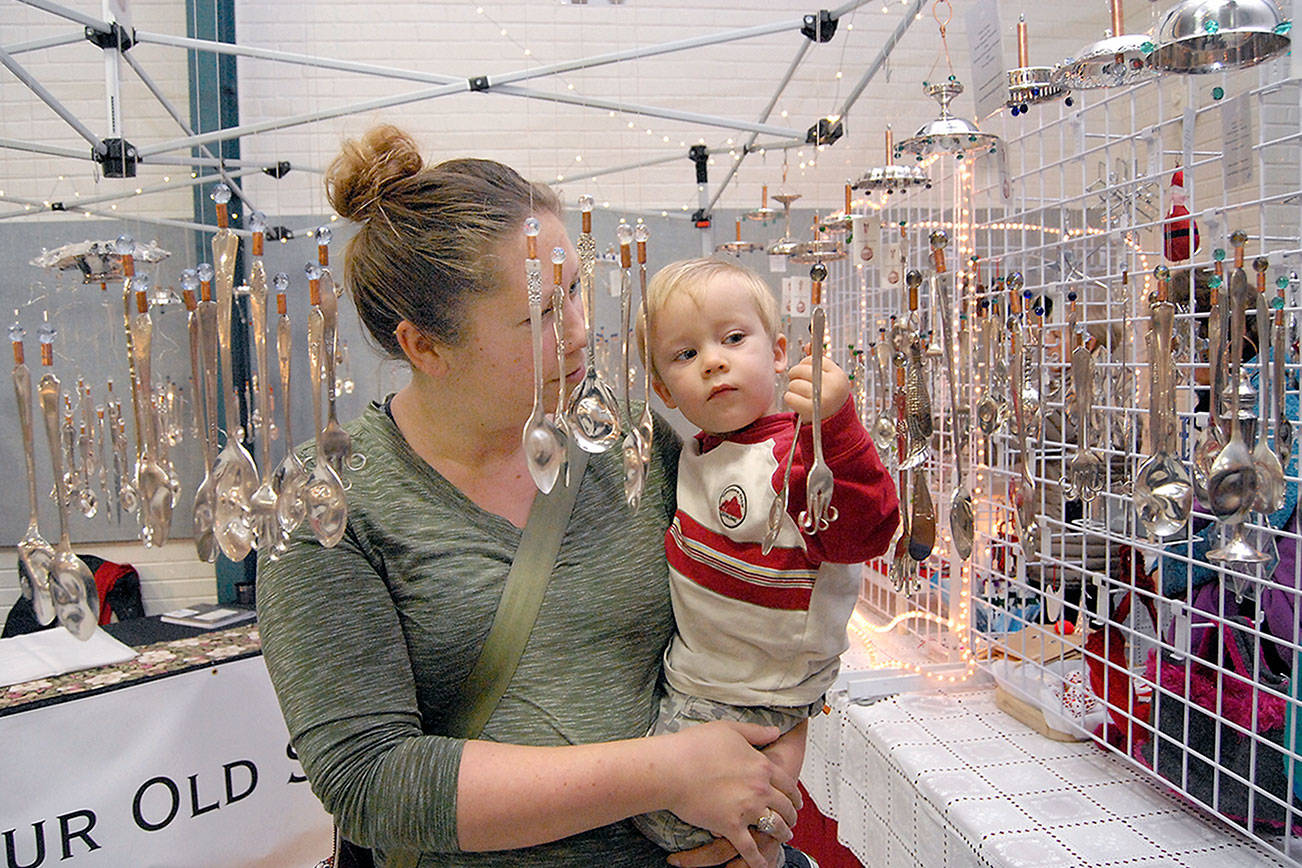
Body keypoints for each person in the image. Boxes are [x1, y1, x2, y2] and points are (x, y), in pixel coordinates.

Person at [256, 125, 808, 868]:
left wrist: (765, 789)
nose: (580, 330)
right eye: (541, 313)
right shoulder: (328, 499)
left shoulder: (626, 443)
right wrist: (666, 774)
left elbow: (768, 606)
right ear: (425, 346)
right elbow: (369, 779)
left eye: (576, 289)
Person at [632, 257, 900, 852]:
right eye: (686, 354)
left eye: (733, 339)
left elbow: (868, 531)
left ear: (778, 353)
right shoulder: (692, 454)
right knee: (672, 821)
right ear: (663, 390)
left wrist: (837, 426)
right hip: (695, 679)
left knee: (681, 827)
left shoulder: (800, 453)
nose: (713, 361)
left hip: (761, 694)